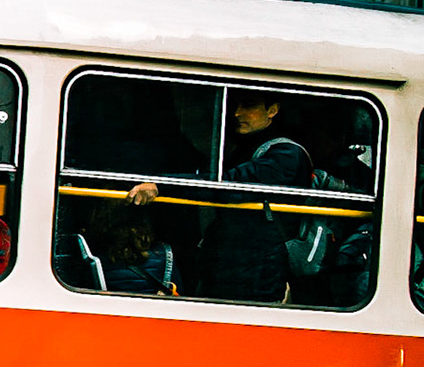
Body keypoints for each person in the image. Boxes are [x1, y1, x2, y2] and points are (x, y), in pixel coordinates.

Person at [126, 90, 310, 303]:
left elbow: (229, 184)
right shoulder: (246, 148)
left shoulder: (287, 155)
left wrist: (162, 186)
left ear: (273, 110)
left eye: (249, 105)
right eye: (236, 105)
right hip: (236, 258)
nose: (237, 113)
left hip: (260, 264)